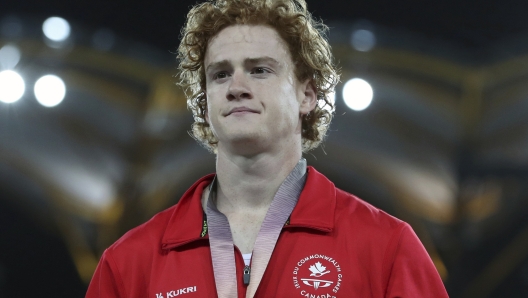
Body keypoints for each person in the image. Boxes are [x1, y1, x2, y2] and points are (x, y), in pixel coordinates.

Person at [86, 0, 449, 297]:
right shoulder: (130, 263)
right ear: (205, 100)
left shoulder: (385, 248)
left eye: (259, 70)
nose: (236, 87)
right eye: (220, 74)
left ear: (306, 94)